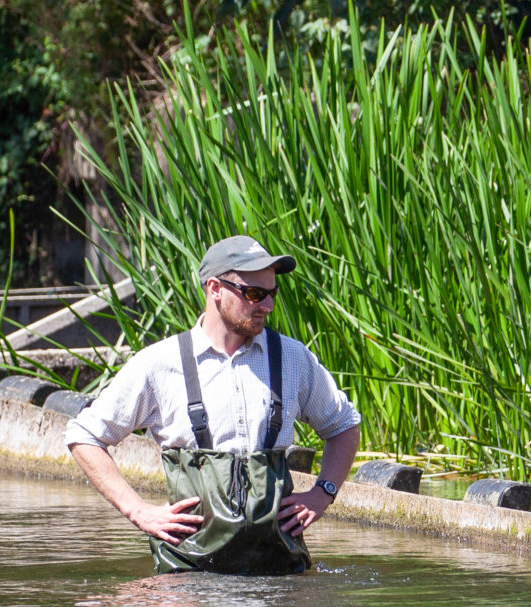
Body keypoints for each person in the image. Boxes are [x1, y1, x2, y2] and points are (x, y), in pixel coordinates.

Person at [67, 235, 362, 574]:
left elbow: (343, 425)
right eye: (254, 294)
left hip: (279, 570)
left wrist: (323, 493)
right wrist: (138, 511)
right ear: (214, 288)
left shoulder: (293, 358)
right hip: (189, 576)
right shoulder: (159, 363)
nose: (266, 305)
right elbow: (84, 436)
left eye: (271, 294)